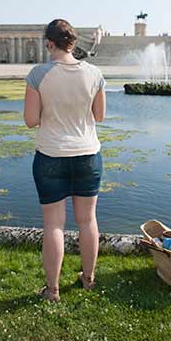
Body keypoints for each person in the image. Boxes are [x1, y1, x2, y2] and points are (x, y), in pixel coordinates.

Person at [24, 19, 106, 302]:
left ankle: (53, 289)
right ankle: (88, 279)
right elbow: (99, 116)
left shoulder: (38, 74)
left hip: (50, 155)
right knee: (87, 220)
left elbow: (30, 120)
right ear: (73, 43)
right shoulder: (95, 73)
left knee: (54, 225)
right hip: (87, 154)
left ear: (49, 43)